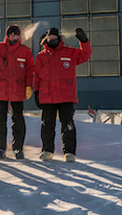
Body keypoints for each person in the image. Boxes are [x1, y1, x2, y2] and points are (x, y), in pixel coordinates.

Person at [33, 26, 91, 162]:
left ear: (59, 38)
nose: (52, 39)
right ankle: (47, 150)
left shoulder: (69, 52)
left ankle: (69, 152)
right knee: (47, 125)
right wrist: (36, 92)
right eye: (50, 37)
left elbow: (85, 55)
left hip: (66, 96)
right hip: (47, 96)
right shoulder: (41, 56)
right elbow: (37, 76)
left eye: (54, 37)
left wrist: (84, 41)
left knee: (68, 124)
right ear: (46, 39)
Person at [0, 22, 34, 160]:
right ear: (7, 35)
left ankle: (18, 148)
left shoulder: (25, 51)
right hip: (1, 90)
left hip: (17, 90)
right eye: (10, 34)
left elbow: (30, 71)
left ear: (19, 35)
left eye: (15, 34)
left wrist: (29, 86)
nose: (13, 36)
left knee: (18, 119)